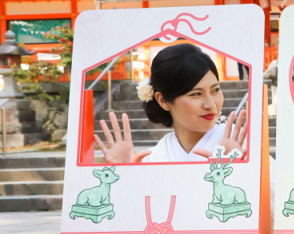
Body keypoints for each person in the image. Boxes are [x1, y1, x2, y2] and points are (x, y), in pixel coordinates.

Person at [93, 43, 247, 163]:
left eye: (215, 90)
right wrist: (126, 176)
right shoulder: (153, 159)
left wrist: (243, 171)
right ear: (163, 101)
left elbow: (270, 198)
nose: (211, 104)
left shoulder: (240, 145)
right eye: (196, 94)